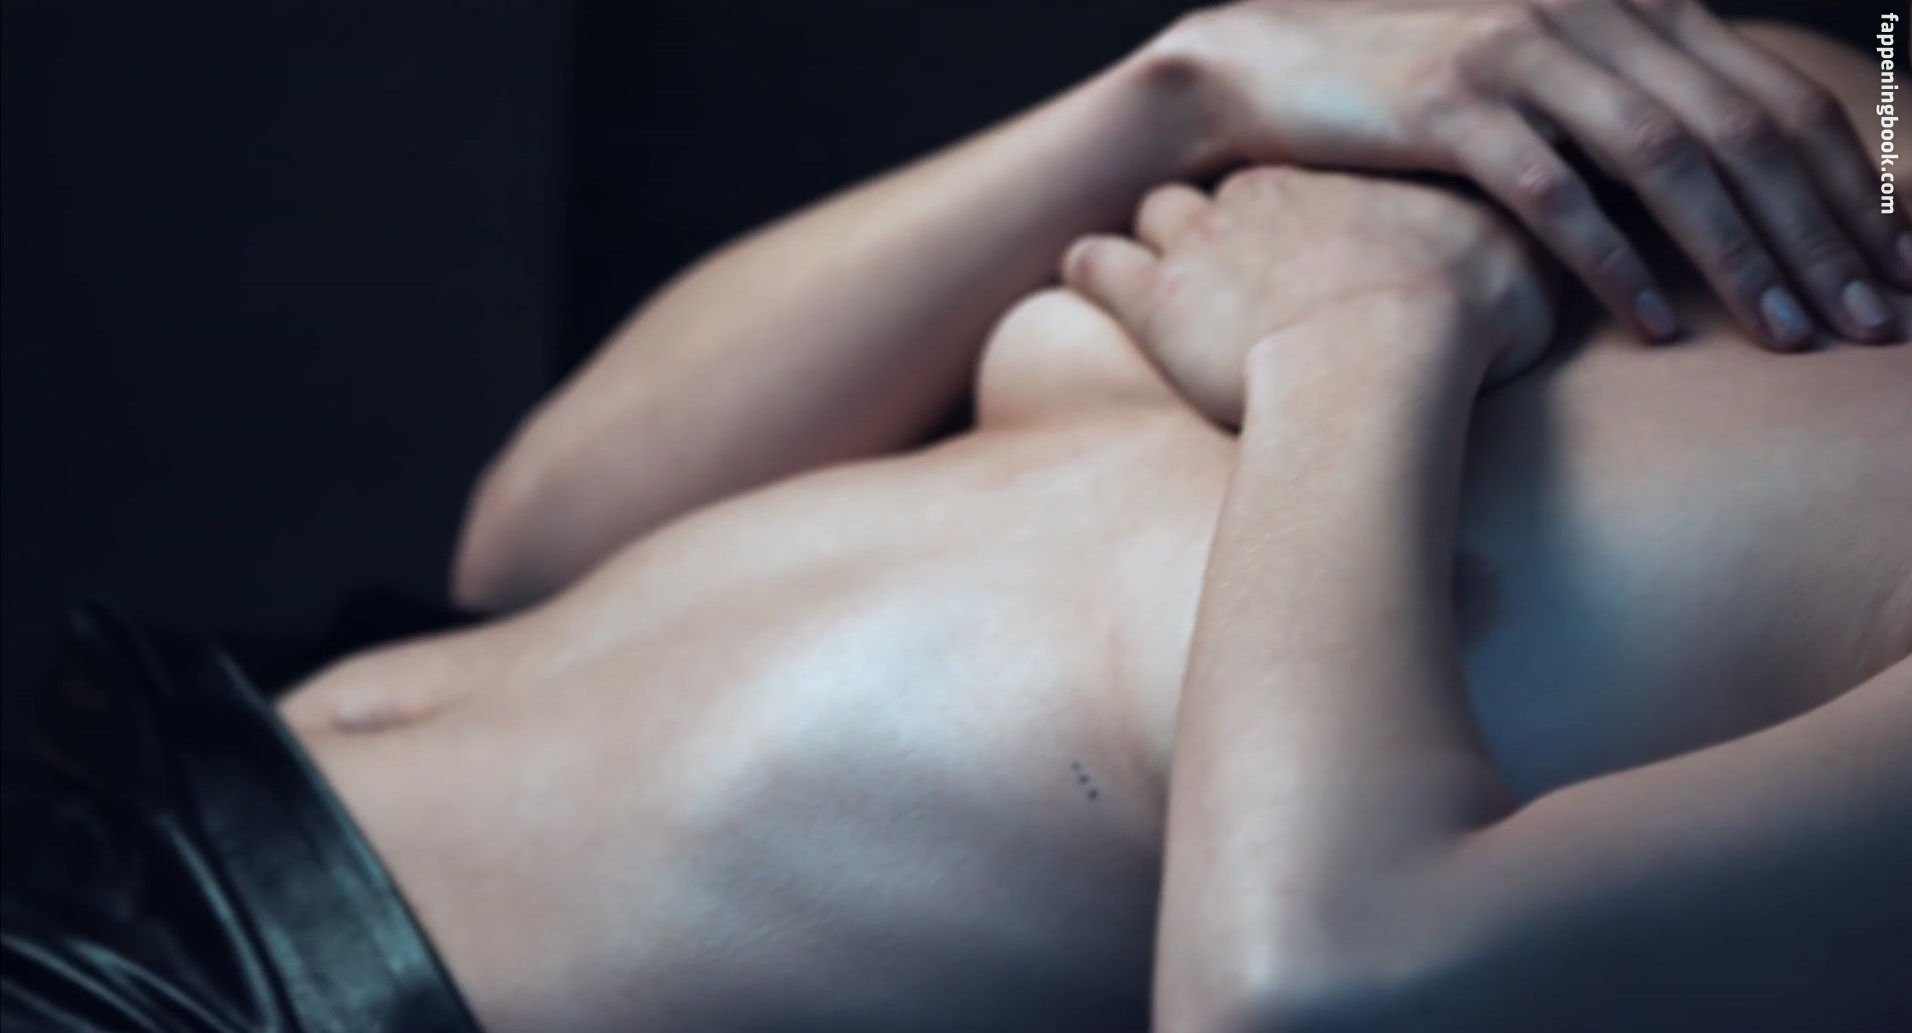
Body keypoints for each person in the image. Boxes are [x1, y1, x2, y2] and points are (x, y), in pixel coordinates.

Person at [4, 2, 1906, 1031]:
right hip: (170, 741)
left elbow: (1319, 992)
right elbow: (531, 540)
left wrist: (1355, 341)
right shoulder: (1775, 122)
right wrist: (1186, 85)